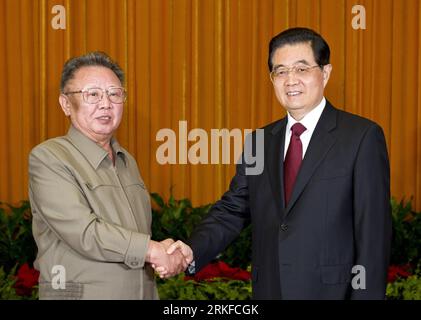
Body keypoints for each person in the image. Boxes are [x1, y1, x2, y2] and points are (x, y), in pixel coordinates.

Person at [163, 27, 392, 299]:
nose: (290, 80)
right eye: (280, 71)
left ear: (326, 73)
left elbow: (373, 236)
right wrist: (191, 249)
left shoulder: (361, 137)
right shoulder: (260, 141)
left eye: (301, 69)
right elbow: (233, 210)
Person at [28, 52, 189, 299]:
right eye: (92, 94)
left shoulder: (127, 161)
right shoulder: (50, 157)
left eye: (114, 94)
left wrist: (162, 248)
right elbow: (83, 231)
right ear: (66, 104)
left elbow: (127, 235)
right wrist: (150, 250)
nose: (106, 103)